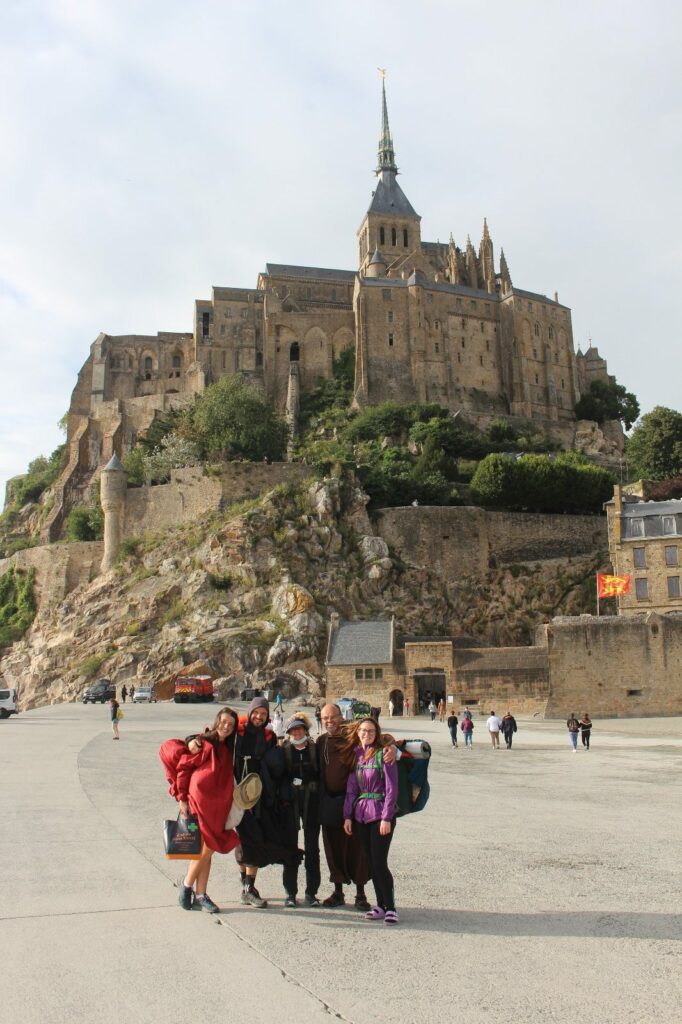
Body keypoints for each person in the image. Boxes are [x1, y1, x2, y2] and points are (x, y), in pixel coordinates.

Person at [170, 707, 241, 913]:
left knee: (206, 850)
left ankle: (201, 893)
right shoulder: (204, 743)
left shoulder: (227, 748)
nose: (226, 727)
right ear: (217, 720)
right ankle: (186, 885)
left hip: (218, 806)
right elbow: (184, 768)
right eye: (224, 722)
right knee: (207, 846)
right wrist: (182, 798)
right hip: (199, 802)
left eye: (230, 724)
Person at [234, 696, 300, 907]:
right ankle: (246, 886)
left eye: (263, 714)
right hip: (236, 795)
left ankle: (248, 887)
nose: (259, 717)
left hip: (257, 795)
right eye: (256, 713)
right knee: (243, 841)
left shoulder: (269, 736)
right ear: (250, 712)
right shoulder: (237, 732)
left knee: (254, 839)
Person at [343, 718, 399, 925]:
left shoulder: (384, 754)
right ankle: (380, 905)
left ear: (377, 733)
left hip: (380, 815)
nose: (367, 733)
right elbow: (351, 789)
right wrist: (347, 815)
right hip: (361, 815)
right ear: (357, 732)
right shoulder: (357, 755)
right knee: (371, 862)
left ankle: (391, 907)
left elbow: (392, 788)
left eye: (371, 730)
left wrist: (387, 817)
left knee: (379, 862)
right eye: (363, 730)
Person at [317, 704, 371, 911]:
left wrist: (392, 747)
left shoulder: (354, 737)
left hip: (354, 802)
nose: (330, 721)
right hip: (330, 802)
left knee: (357, 848)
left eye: (333, 717)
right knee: (333, 848)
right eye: (325, 718)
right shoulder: (321, 742)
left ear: (341, 717)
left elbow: (381, 738)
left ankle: (360, 893)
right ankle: (338, 891)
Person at [281, 716, 321, 907]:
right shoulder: (284, 751)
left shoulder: (315, 749)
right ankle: (290, 892)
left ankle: (311, 892)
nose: (297, 733)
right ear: (289, 733)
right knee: (290, 846)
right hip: (291, 803)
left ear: (306, 731)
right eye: (293, 731)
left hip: (312, 802)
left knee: (312, 848)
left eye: (300, 730)